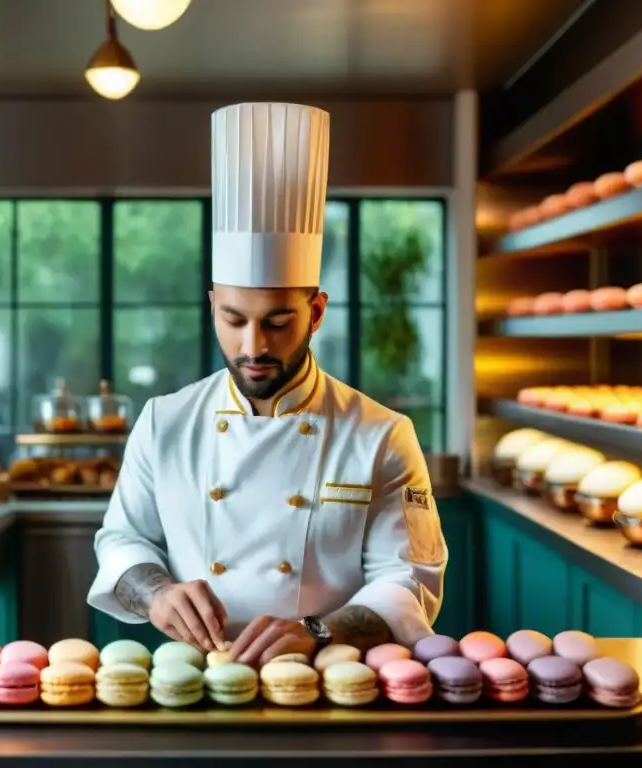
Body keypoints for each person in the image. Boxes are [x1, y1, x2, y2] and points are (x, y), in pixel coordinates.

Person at [87, 102, 447, 667]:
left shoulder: (381, 435)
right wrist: (155, 592)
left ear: (316, 311)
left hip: (330, 681)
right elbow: (122, 541)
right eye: (233, 320)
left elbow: (409, 582)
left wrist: (318, 633)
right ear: (212, 306)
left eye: (278, 322)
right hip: (195, 682)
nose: (253, 346)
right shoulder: (165, 422)